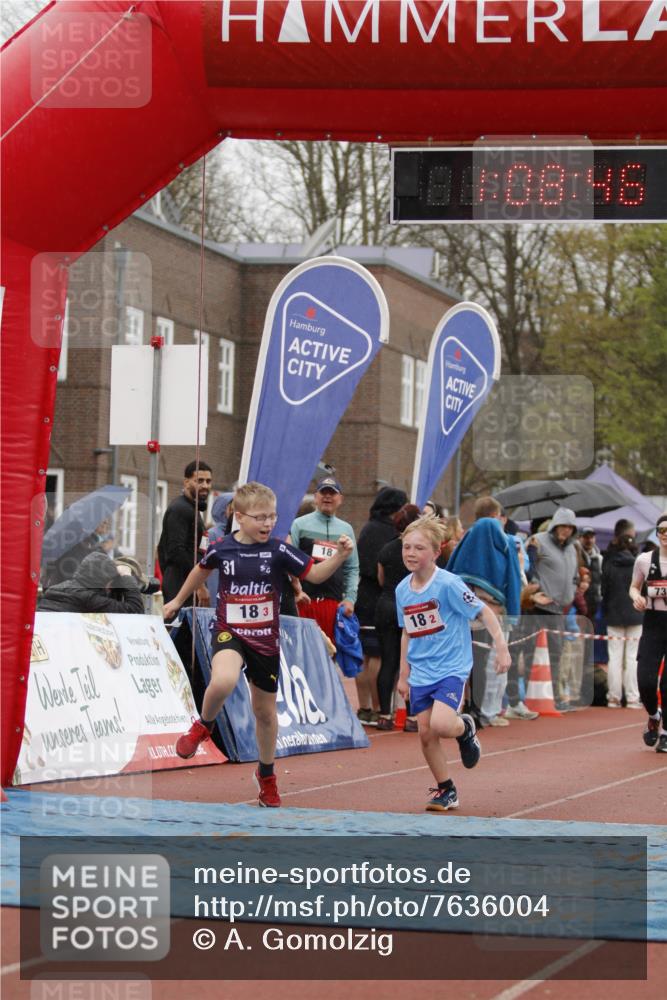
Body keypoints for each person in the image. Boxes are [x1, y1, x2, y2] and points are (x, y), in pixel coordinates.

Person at [163, 482, 353, 806]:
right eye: (259, 517)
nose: (267, 524)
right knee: (223, 679)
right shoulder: (222, 547)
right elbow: (200, 568)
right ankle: (203, 725)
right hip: (229, 630)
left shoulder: (279, 550)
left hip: (265, 639)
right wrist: (178, 600)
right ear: (239, 516)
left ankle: (266, 775)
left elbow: (315, 575)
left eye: (272, 517)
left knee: (265, 713)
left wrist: (341, 555)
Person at [396, 517, 511, 812]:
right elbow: (407, 631)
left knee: (442, 724)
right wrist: (403, 673)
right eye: (406, 547)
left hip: (451, 667)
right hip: (420, 669)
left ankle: (466, 728)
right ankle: (446, 789)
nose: (410, 553)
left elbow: (483, 611)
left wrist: (501, 646)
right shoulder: (402, 590)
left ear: (436, 552)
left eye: (418, 548)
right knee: (425, 733)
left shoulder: (448, 584)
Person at [446, 496, 522, 727]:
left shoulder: (467, 538)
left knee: (467, 661)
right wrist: (513, 611)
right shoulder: (505, 541)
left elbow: (451, 572)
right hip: (492, 611)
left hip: (464, 610)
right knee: (490, 663)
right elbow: (513, 578)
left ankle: (467, 706)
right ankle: (485, 711)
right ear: (495, 516)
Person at [354, 486, 407, 726]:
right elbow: (382, 572)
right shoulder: (390, 536)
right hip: (382, 598)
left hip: (363, 597)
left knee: (364, 657)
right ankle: (379, 707)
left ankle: (364, 706)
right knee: (380, 657)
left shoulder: (366, 529)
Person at [289, 477, 359, 641]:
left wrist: (350, 599)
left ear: (340, 499)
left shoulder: (346, 529)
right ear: (315, 497)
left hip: (333, 605)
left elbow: (352, 568)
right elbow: (289, 563)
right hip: (304, 602)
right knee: (302, 654)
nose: (327, 497)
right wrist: (295, 592)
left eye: (332, 493)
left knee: (331, 656)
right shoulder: (299, 525)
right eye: (323, 492)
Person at [525, 507, 580, 711]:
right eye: (562, 526)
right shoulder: (538, 540)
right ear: (555, 525)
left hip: (560, 609)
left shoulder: (572, 548)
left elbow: (574, 575)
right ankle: (527, 698)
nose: (566, 530)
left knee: (556, 653)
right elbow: (526, 568)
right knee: (531, 652)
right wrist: (536, 587)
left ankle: (555, 697)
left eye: (569, 527)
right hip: (539, 608)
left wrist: (573, 590)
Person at [376, 503, 422, 731]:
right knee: (412, 661)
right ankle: (412, 717)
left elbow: (381, 579)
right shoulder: (418, 550)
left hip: (386, 603)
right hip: (411, 606)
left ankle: (384, 715)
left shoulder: (387, 549)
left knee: (389, 661)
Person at [629, 513, 667, 753]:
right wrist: (637, 598)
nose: (665, 535)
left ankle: (665, 733)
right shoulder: (644, 560)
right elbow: (633, 587)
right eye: (661, 530)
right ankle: (654, 715)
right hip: (653, 623)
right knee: (645, 680)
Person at [157, 460, 213, 606]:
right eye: (199, 481)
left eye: (208, 481)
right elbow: (176, 551)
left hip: (187, 585)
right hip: (181, 586)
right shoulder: (180, 509)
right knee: (182, 628)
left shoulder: (192, 509)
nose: (205, 486)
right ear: (186, 482)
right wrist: (198, 585)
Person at [602, 521, 643, 709]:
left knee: (614, 657)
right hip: (636, 613)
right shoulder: (639, 561)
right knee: (633, 658)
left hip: (614, 614)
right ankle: (633, 697)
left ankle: (613, 697)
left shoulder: (608, 560)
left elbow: (604, 589)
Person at [38, 551, 145, 614]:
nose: (109, 589)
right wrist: (127, 576)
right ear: (102, 580)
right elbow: (135, 610)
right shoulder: (89, 598)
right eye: (110, 583)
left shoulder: (54, 589)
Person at [577, 527, 603, 619]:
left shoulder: (599, 558)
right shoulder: (575, 557)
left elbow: (602, 579)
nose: (589, 540)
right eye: (586, 537)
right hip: (579, 602)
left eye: (591, 537)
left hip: (595, 601)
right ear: (579, 538)